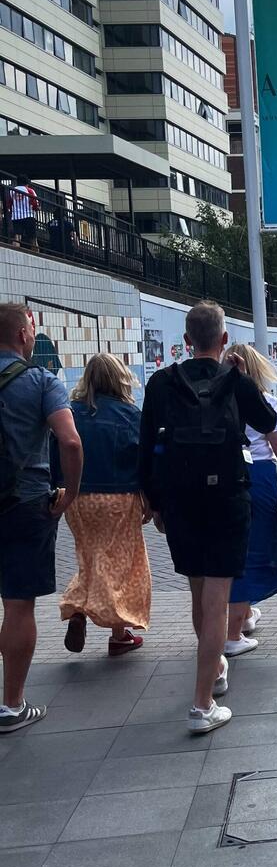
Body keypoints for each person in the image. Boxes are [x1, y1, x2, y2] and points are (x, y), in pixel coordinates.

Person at [138, 301, 277, 732]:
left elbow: (146, 445)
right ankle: (202, 704)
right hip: (227, 499)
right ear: (223, 339)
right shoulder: (234, 379)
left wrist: (153, 502)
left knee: (199, 595)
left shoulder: (161, 383)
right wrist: (241, 376)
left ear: (186, 340)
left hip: (179, 500)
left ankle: (215, 670)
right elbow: (267, 420)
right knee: (217, 601)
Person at [0, 304, 82, 730]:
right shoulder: (41, 381)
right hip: (25, 504)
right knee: (18, 605)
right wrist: (71, 494)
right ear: (22, 334)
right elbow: (70, 442)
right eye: (32, 330)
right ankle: (11, 705)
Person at [56, 353, 150, 659]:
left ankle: (78, 609)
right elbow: (142, 462)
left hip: (76, 498)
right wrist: (150, 501)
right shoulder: (130, 414)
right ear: (120, 378)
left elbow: (58, 452)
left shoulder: (70, 413)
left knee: (90, 558)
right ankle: (118, 635)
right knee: (121, 566)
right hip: (118, 498)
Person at [223, 345, 277, 655]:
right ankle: (233, 635)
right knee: (254, 551)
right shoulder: (265, 402)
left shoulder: (215, 400)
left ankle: (244, 614)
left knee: (231, 548)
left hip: (223, 475)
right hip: (258, 476)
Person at [4, 179, 40, 248]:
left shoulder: (12, 191)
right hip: (28, 215)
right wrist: (37, 208)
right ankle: (35, 252)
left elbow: (9, 204)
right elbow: (35, 203)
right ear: (27, 184)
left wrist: (12, 212)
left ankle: (15, 250)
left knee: (17, 237)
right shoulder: (30, 190)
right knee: (33, 238)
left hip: (16, 216)